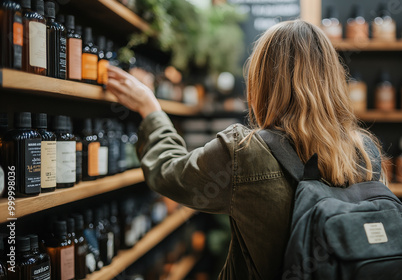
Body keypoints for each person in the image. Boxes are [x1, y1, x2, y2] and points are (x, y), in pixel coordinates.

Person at [107, 19, 383, 280]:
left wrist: (150, 108)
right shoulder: (365, 151)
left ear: (261, 81)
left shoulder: (246, 152)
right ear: (333, 78)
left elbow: (167, 173)